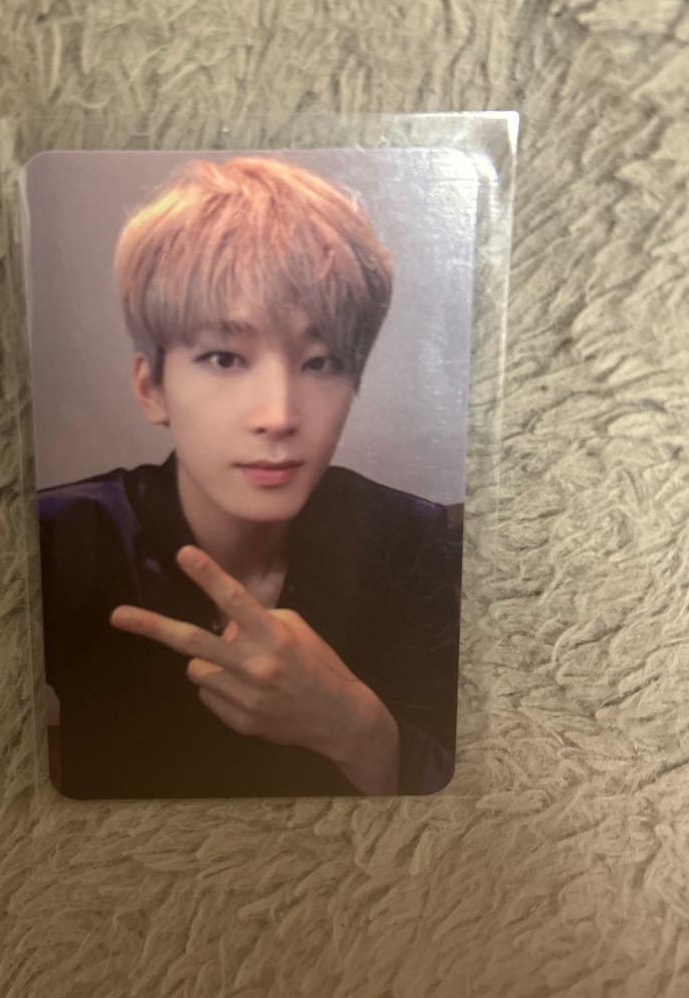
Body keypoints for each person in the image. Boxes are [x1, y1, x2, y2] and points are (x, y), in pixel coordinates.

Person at [38, 156, 461, 799]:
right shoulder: (59, 541)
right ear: (153, 388)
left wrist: (356, 727)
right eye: (224, 357)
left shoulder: (410, 540)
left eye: (320, 362)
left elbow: (469, 794)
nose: (279, 415)